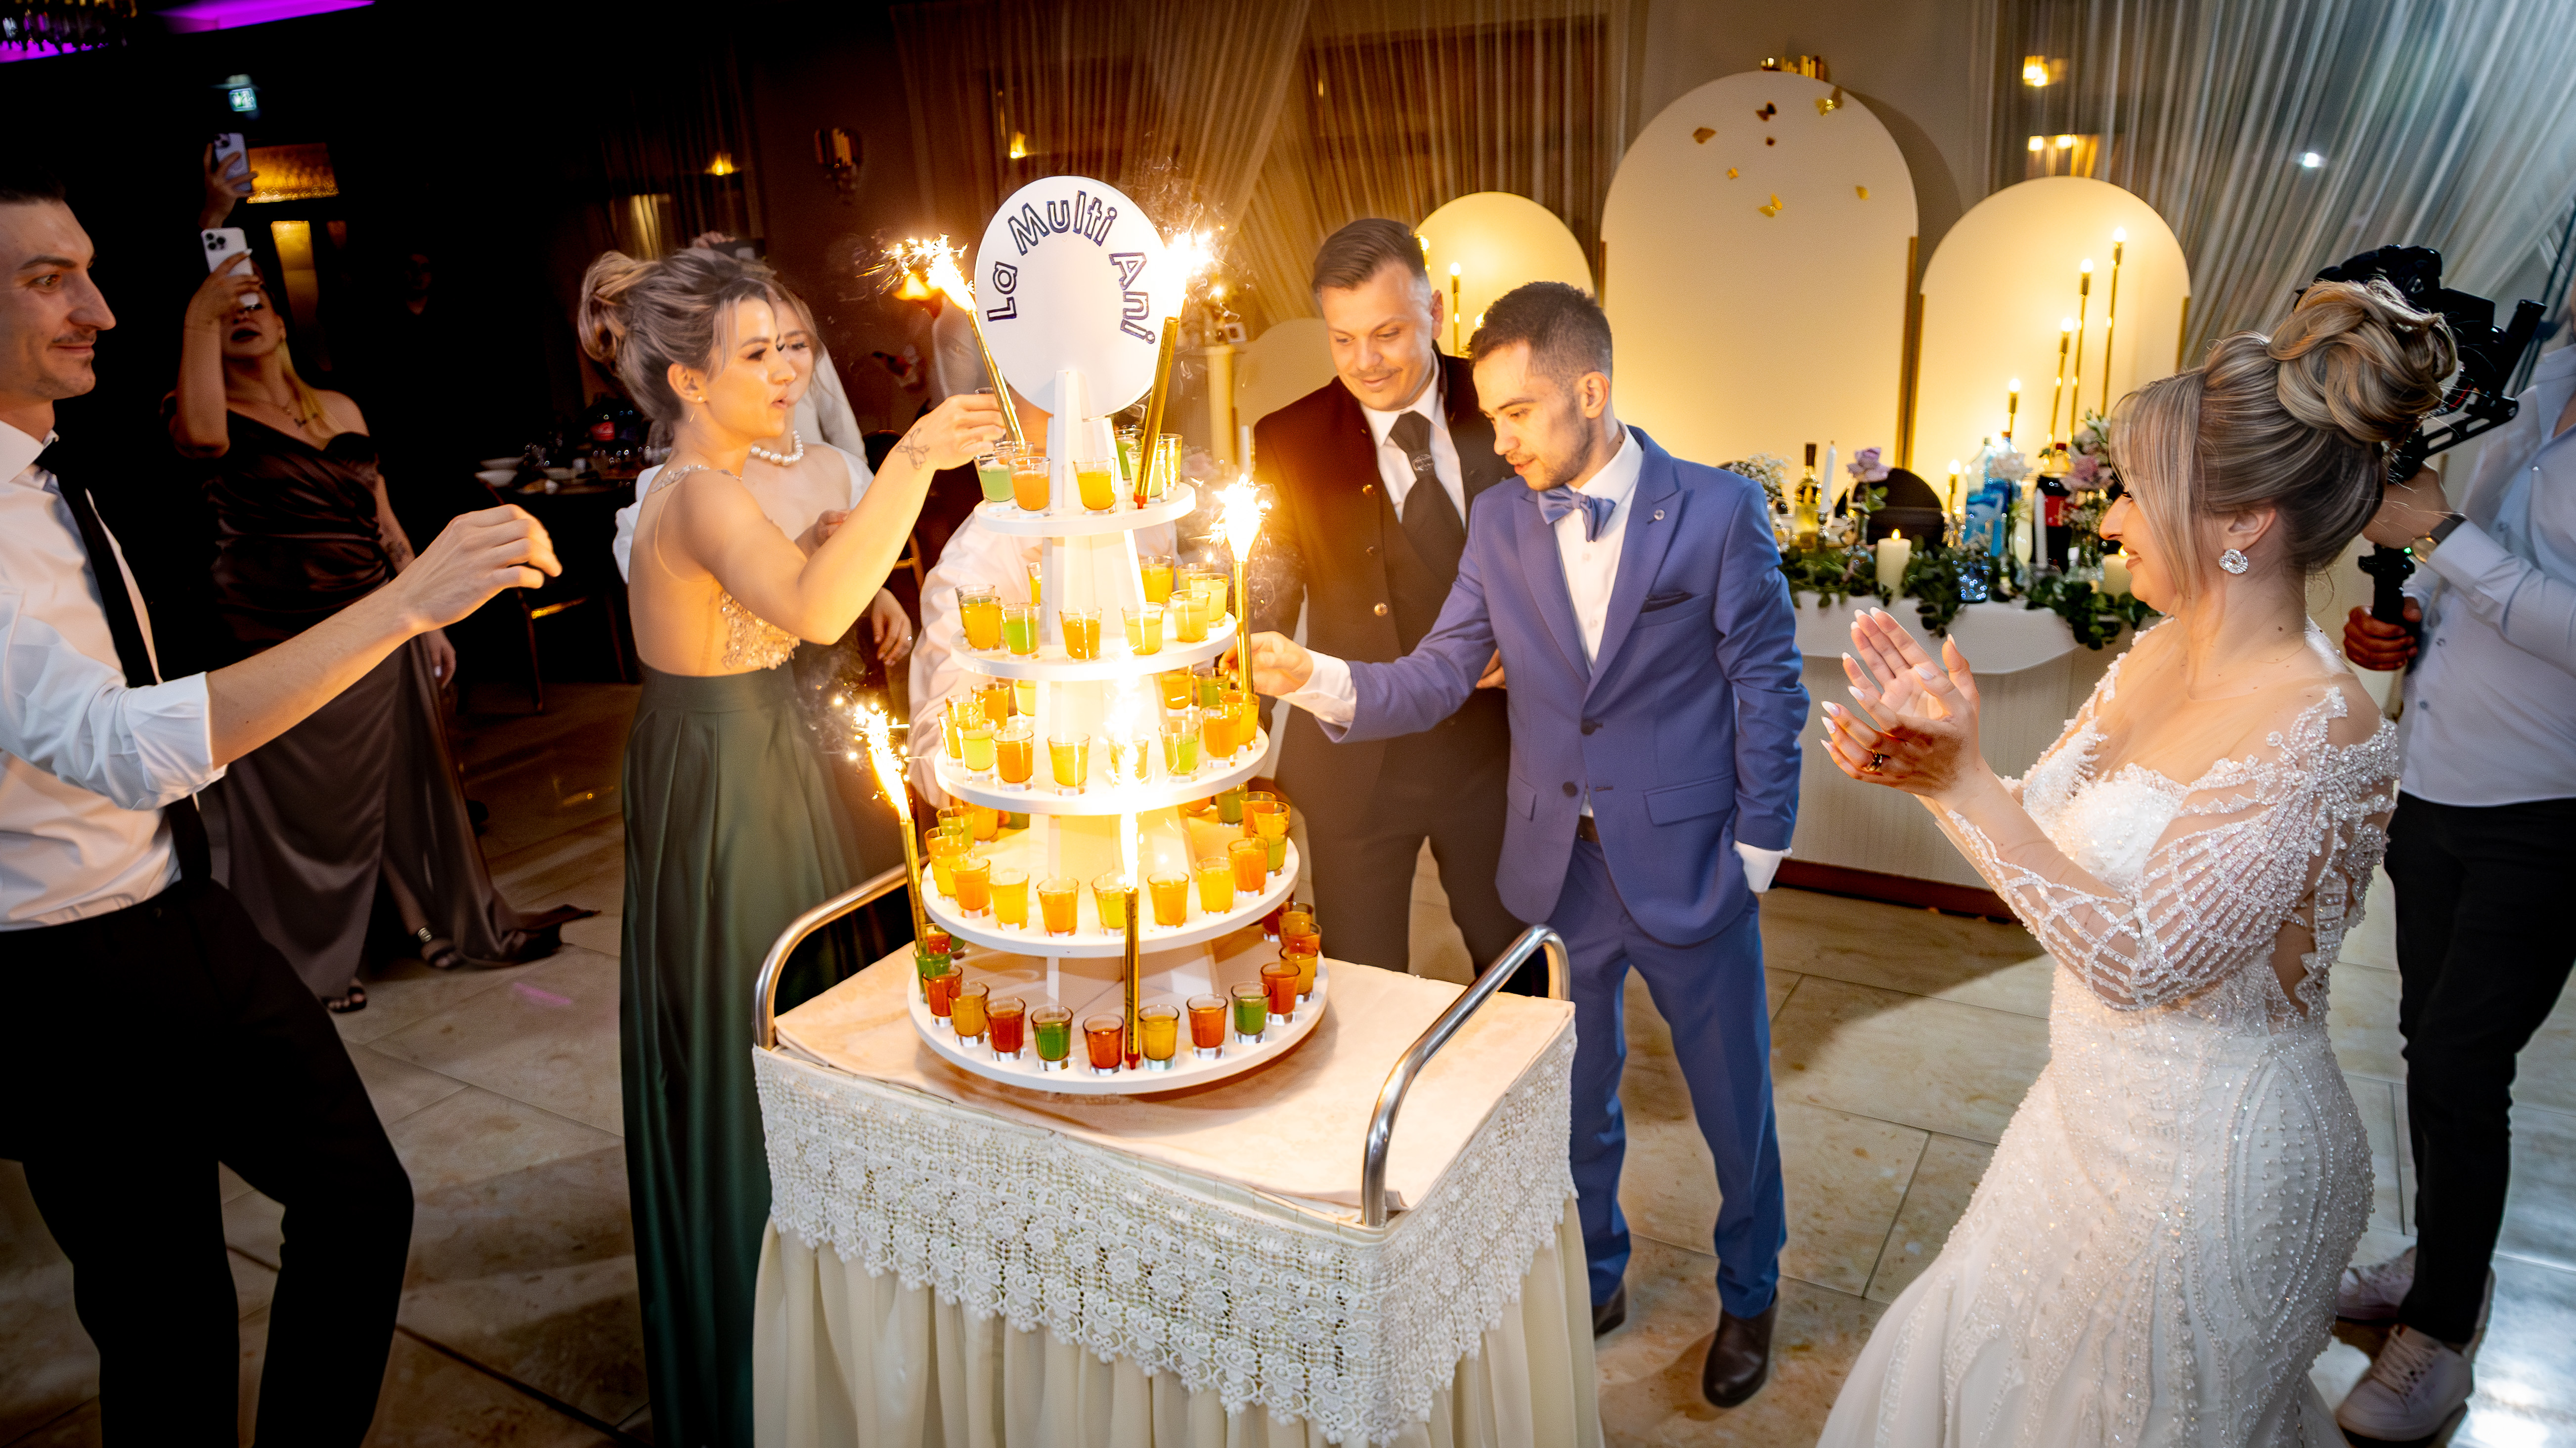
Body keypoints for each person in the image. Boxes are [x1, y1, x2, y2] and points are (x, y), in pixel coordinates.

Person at [1814, 279, 2449, 1446]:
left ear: (2241, 521)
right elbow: (2048, 851)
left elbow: (2143, 960)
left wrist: (1958, 787)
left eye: (2133, 495)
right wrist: (1937, 766)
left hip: (2207, 1177)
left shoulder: (2316, 727)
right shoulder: (2158, 654)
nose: (2107, 522)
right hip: (2079, 1125)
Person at [1, 167, 560, 1443]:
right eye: (48, 280)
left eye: (91, 273)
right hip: (64, 974)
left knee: (360, 1197)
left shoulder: (49, 473)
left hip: (181, 912)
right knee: (170, 1325)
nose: (99, 309)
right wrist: (405, 607)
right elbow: (115, 746)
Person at [1248, 281, 1806, 1405]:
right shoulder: (1502, 521)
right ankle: (1594, 1274)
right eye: (1491, 414)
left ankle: (1749, 1290)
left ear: (1588, 393)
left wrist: (1758, 848)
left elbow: (1768, 683)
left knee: (1732, 1104)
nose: (1495, 439)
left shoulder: (1716, 511)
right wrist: (1318, 678)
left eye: (1514, 413)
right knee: (1570, 1098)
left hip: (1692, 862)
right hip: (1558, 870)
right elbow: (1438, 674)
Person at [578, 245, 999, 1447]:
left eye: (789, 347)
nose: (787, 372)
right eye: (755, 354)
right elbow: (809, 611)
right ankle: (771, 1353)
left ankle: (846, 1317)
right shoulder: (696, 494)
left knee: (822, 1026)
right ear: (685, 380)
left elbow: (808, 593)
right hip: (731, 779)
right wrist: (911, 458)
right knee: (767, 1042)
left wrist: (843, 556)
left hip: (776, 750)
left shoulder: (744, 478)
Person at [168, 253, 589, 1006]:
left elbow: (383, 520)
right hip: (270, 626)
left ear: (282, 323)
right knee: (305, 801)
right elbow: (200, 443)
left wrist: (425, 615)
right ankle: (311, 952)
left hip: (371, 606)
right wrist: (201, 310)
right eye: (226, 311)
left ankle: (418, 923)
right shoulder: (201, 412)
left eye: (256, 302)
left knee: (392, 781)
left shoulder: (339, 408)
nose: (244, 316)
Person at [2332, 303, 2576, 1438]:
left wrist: (2438, 537)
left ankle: (2438, 1328)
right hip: (2434, 783)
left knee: (2459, 1064)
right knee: (2423, 1041)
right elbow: (2469, 565)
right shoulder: (2536, 385)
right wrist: (2400, 616)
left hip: (2548, 806)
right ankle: (2442, 1256)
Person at [1246, 219, 1522, 979]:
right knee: (1362, 984)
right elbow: (1267, 599)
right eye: (1342, 339)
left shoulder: (1508, 402)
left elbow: (1580, 557)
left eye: (1388, 334)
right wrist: (1236, 742)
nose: (1364, 362)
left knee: (1521, 972)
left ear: (1435, 312)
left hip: (1497, 756)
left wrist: (1532, 642)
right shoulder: (1288, 438)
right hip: (1355, 767)